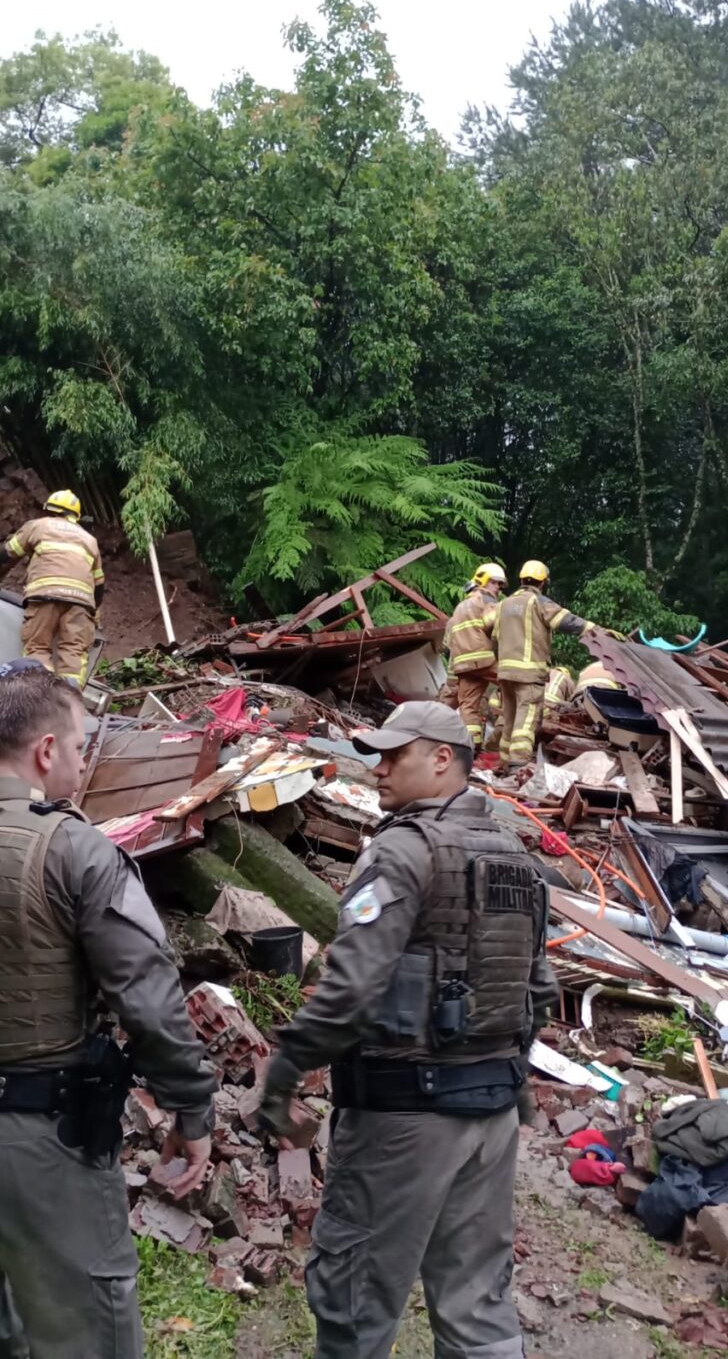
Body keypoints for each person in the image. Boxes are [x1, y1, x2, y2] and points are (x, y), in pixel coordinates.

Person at [260, 701, 558, 1359]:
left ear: (443, 759)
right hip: (490, 1114)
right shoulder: (516, 857)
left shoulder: (401, 851)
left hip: (404, 1115)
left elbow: (350, 990)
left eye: (397, 754)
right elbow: (538, 988)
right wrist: (518, 1095)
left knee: (356, 1299)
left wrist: (281, 1076)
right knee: (477, 1305)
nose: (379, 768)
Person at [0, 668, 217, 1359]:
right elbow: (147, 996)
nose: (82, 757)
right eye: (79, 744)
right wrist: (191, 1110)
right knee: (84, 1329)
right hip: (38, 1133)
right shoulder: (73, 849)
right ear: (44, 753)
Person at [492, 561, 624, 771]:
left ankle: (504, 763)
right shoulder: (538, 601)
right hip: (529, 673)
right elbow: (567, 621)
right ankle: (518, 763)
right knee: (526, 719)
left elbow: (493, 636)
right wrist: (599, 631)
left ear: (521, 579)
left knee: (509, 717)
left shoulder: (503, 605)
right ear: (543, 582)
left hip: (505, 672)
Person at [0, 489, 104, 688]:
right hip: (81, 603)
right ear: (75, 515)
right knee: (73, 654)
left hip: (45, 596)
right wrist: (94, 611)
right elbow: (99, 586)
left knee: (38, 648)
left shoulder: (38, 526)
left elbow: (7, 553)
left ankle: (40, 697)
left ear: (48, 508)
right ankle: (68, 700)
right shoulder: (89, 540)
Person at [441, 563, 507, 750]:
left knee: (468, 707)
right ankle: (507, 733)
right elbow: (498, 628)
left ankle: (471, 748)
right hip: (484, 660)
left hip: (463, 666)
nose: (498, 588)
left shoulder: (459, 608)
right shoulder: (487, 602)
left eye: (500, 585)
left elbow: (448, 643)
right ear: (483, 581)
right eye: (495, 583)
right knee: (517, 682)